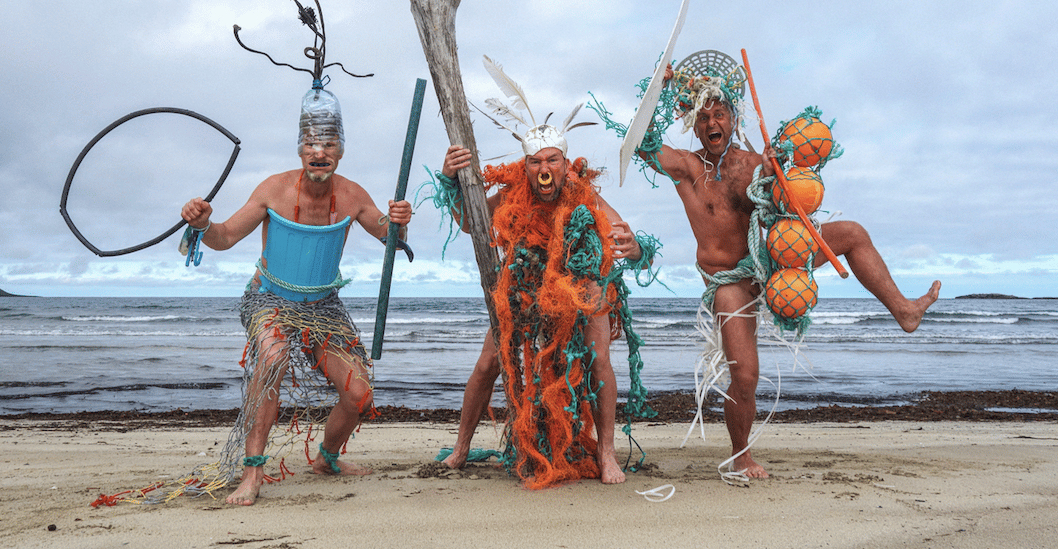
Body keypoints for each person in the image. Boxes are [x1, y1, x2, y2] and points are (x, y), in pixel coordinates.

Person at [634, 55, 941, 480]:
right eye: (702, 117)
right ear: (692, 122)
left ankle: (904, 310)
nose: (711, 123)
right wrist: (662, 89)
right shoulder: (688, 168)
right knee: (746, 375)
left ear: (732, 116)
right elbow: (640, 142)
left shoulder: (758, 164)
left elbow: (796, 192)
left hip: (775, 263)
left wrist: (782, 165)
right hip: (731, 283)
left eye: (718, 113)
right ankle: (741, 456)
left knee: (851, 232)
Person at [180, 87, 412, 505]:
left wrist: (399, 221)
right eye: (310, 143)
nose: (319, 151)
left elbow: (390, 237)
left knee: (359, 392)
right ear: (299, 149)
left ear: (340, 150)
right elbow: (226, 237)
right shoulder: (274, 189)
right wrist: (202, 224)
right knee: (271, 359)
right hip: (268, 298)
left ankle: (327, 458)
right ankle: (253, 474)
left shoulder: (354, 195)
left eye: (328, 143)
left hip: (323, 307)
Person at [437, 121, 650, 487]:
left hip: (581, 288)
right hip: (525, 286)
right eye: (535, 162)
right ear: (526, 167)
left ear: (566, 164)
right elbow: (472, 223)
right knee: (489, 362)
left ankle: (606, 452)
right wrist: (449, 181)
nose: (544, 169)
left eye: (552, 160)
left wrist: (636, 248)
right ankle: (460, 446)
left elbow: (628, 241)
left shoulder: (585, 197)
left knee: (599, 360)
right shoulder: (512, 195)